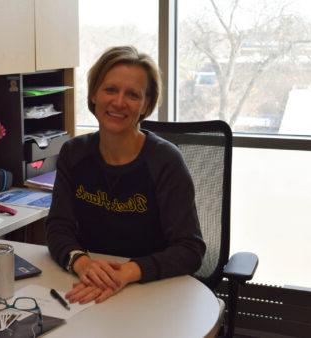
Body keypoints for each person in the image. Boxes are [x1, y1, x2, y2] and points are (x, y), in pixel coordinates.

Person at [46, 46, 205, 304]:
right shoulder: (73, 153)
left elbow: (190, 249)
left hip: (152, 291)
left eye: (132, 94)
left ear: (146, 104)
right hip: (88, 286)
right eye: (110, 89)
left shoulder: (165, 161)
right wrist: (82, 262)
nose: (119, 102)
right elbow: (58, 226)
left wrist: (127, 272)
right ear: (94, 94)